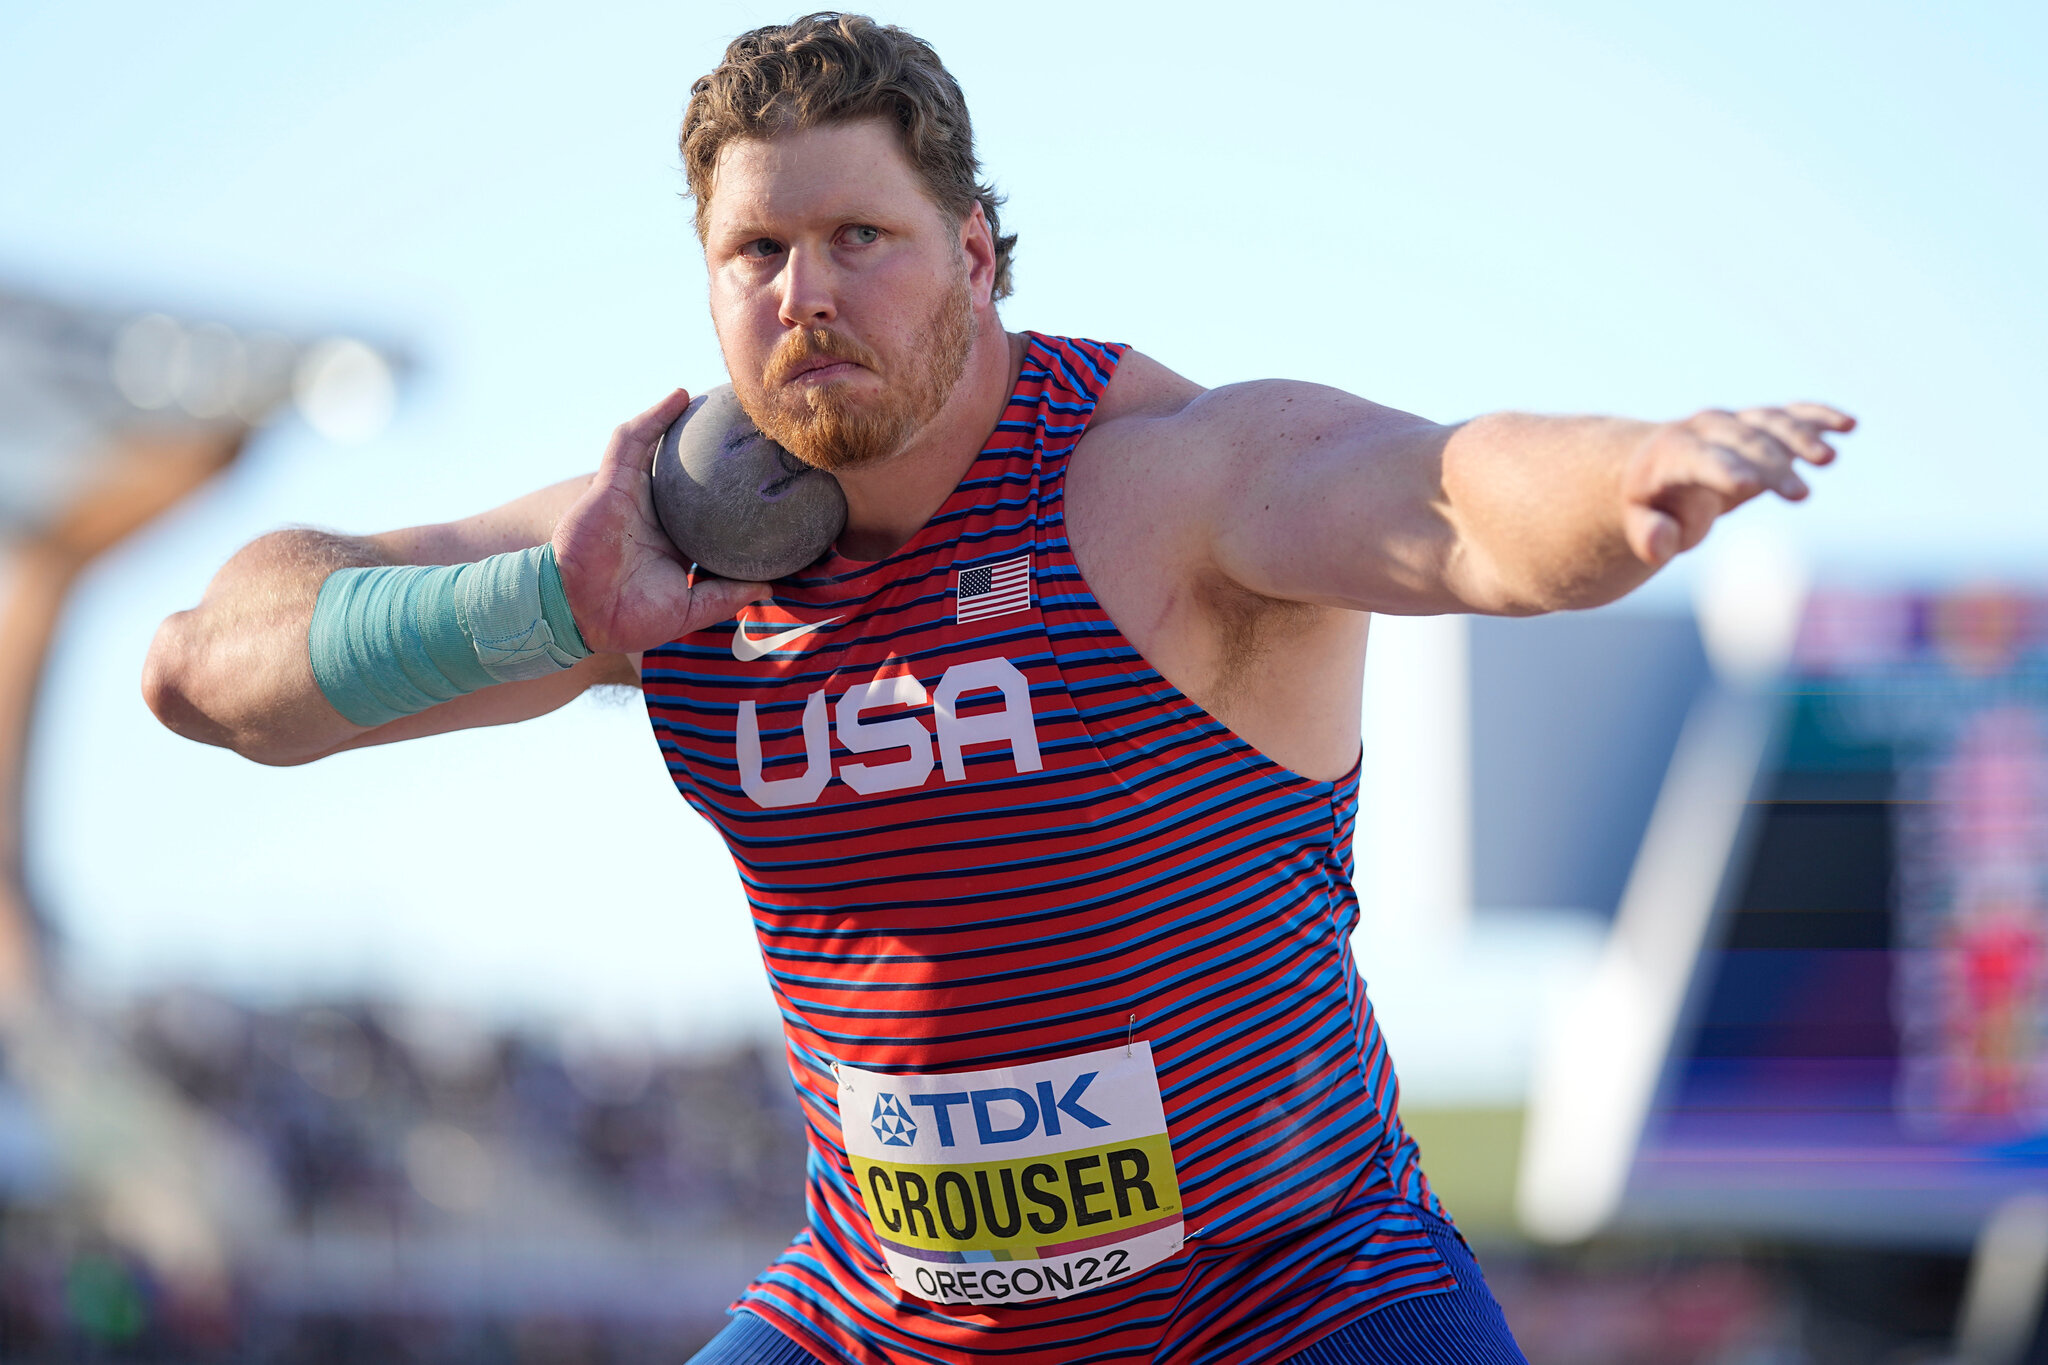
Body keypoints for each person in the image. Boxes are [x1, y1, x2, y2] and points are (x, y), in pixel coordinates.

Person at [141, 14, 1852, 1364]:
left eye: (860, 237)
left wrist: (1633, 474)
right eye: (758, 253)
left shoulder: (1164, 484)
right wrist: (535, 607)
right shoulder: (646, 548)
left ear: (975, 252)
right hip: (884, 1318)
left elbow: (1451, 495)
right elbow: (204, 670)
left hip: (1287, 1305)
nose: (807, 294)